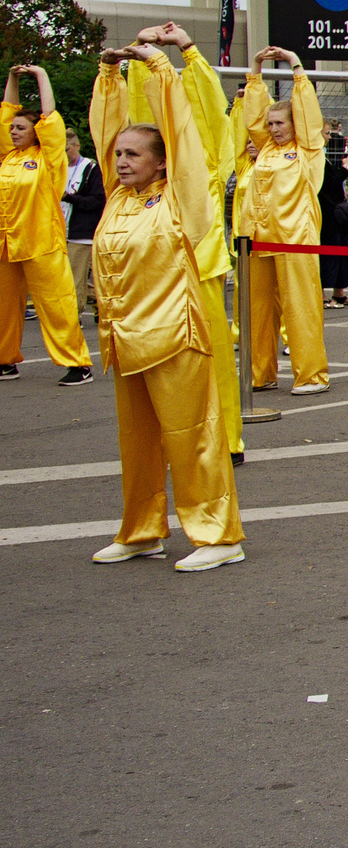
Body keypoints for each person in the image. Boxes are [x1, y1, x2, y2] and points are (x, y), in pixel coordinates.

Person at [84, 29, 243, 571]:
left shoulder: (181, 198)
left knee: (194, 439)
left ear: (161, 162)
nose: (122, 160)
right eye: (120, 154)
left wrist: (162, 72)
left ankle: (220, 537)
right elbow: (106, 132)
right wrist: (108, 77)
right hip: (126, 339)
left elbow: (184, 139)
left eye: (133, 154)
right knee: (138, 445)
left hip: (175, 335)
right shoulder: (118, 198)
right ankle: (142, 530)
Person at [231, 47, 328, 394]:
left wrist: (294, 65)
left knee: (299, 307)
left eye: (280, 123)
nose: (273, 129)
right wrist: (255, 69)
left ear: (294, 124)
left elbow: (308, 115)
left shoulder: (308, 150)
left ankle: (311, 375)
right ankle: (260, 373)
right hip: (257, 240)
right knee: (256, 311)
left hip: (293, 238)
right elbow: (253, 118)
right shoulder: (267, 148)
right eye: (270, 124)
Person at [1, 63, 96, 383]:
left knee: (57, 304)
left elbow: (51, 120)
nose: (13, 131)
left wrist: (41, 75)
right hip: (6, 244)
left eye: (20, 128)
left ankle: (77, 364)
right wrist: (13, 78)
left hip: (41, 241)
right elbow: (6, 112)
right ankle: (5, 360)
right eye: (11, 128)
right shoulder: (7, 157)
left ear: (36, 133)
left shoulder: (48, 158)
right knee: (3, 307)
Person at [62, 126, 104, 318]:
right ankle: (99, 302)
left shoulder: (90, 168)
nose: (63, 154)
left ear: (77, 146)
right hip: (59, 228)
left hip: (81, 231)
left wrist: (70, 198)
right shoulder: (56, 167)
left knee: (75, 276)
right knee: (67, 275)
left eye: (66, 149)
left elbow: (97, 200)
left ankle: (74, 314)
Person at [318, 137, 348, 305]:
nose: (329, 137)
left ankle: (339, 292)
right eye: (326, 133)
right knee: (329, 254)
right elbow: (328, 184)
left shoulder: (324, 157)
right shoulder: (315, 159)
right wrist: (345, 168)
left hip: (337, 214)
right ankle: (322, 294)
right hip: (326, 214)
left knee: (342, 251)